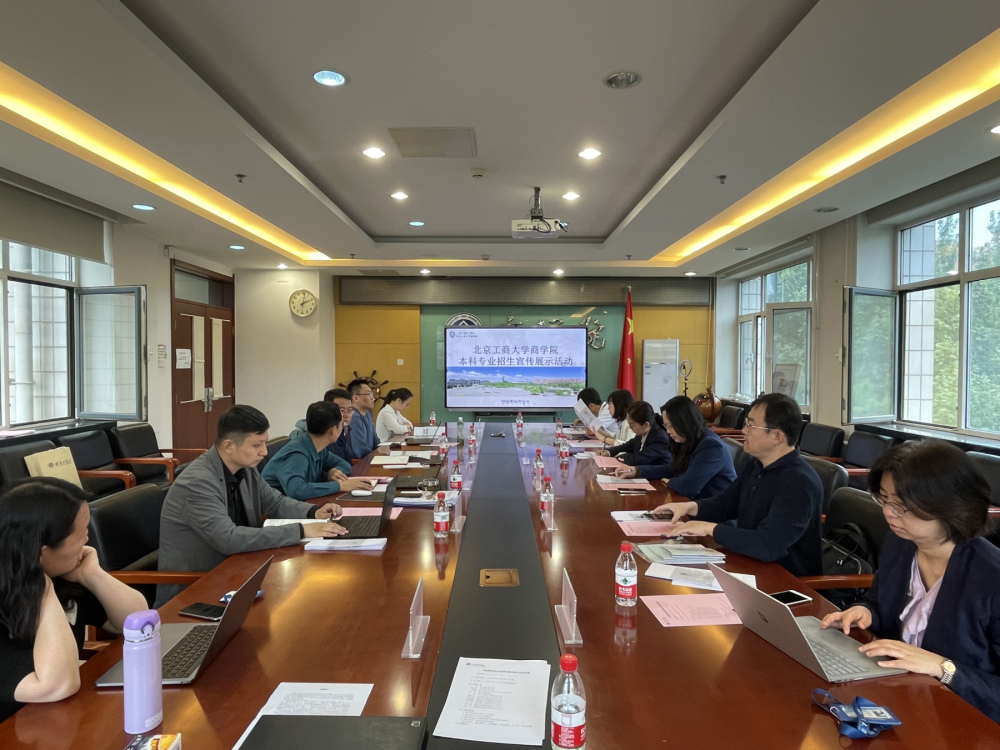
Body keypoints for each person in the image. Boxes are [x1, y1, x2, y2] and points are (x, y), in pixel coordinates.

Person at [821, 441, 1000, 724]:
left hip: (961, 719)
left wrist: (943, 667)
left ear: (950, 506)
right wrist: (865, 612)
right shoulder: (899, 544)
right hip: (899, 695)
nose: (889, 513)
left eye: (902, 506)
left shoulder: (991, 579)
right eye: (884, 499)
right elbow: (879, 604)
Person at [156, 404, 347, 606]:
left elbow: (275, 502)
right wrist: (301, 530)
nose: (264, 452)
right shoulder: (197, 482)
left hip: (239, 570)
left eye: (264, 443)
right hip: (196, 590)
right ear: (229, 446)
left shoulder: (245, 468)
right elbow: (228, 539)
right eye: (257, 445)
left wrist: (314, 512)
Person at [0, 478, 148, 722]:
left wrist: (92, 575)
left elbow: (138, 622)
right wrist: (43, 589)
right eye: (80, 534)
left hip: (56, 721)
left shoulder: (64, 577)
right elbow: (57, 686)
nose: (87, 539)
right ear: (42, 552)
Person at [651, 393, 823, 576]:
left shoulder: (799, 483)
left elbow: (768, 545)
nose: (744, 431)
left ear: (776, 436)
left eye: (751, 425)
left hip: (784, 579)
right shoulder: (757, 465)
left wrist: (709, 528)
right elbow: (726, 504)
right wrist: (688, 507)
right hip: (748, 563)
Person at [615, 395, 736, 500]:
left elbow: (686, 488)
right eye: (666, 426)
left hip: (712, 513)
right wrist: (637, 471)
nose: (667, 431)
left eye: (671, 426)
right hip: (692, 504)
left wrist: (671, 481)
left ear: (684, 423)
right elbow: (673, 468)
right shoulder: (687, 438)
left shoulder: (711, 446)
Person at [263, 401, 373, 500]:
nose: (342, 427)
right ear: (333, 430)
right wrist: (341, 485)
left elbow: (344, 464)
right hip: (272, 511)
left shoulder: (317, 447)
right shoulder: (298, 454)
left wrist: (334, 471)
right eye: (341, 425)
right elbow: (297, 490)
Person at [290, 388, 356, 462]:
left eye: (349, 410)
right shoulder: (315, 434)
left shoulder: (344, 430)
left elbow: (344, 462)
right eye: (342, 410)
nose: (347, 415)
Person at [602, 401, 670, 467]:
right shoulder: (643, 431)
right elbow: (629, 445)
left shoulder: (659, 438)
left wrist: (620, 457)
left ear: (646, 425)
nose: (629, 427)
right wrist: (609, 452)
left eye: (632, 424)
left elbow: (639, 459)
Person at [347, 378, 380, 458]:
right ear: (356, 398)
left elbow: (375, 441)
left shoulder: (367, 413)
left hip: (369, 457)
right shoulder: (353, 417)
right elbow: (361, 450)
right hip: (358, 462)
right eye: (369, 394)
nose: (373, 398)